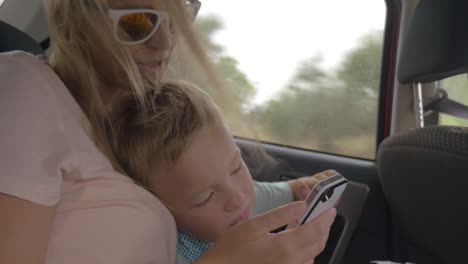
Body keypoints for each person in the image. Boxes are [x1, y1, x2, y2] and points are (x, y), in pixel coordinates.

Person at [0, 0, 337, 263]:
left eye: (175, 19)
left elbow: (214, 187)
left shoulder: (131, 117)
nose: (165, 43)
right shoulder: (24, 89)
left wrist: (291, 190)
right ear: (78, 17)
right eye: (138, 23)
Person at [109, 80, 338, 263]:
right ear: (163, 212)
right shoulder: (164, 250)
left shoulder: (243, 201)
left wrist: (300, 187)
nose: (237, 198)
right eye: (205, 197)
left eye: (236, 168)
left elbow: (276, 192)